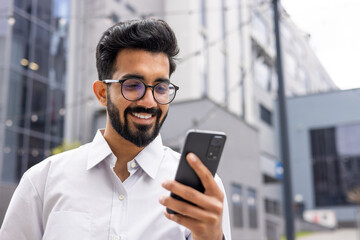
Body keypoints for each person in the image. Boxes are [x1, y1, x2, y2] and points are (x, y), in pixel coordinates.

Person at [0, 18, 231, 240]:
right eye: (133, 85)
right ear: (102, 93)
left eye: (161, 87)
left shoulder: (202, 192)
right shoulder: (42, 181)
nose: (149, 102)